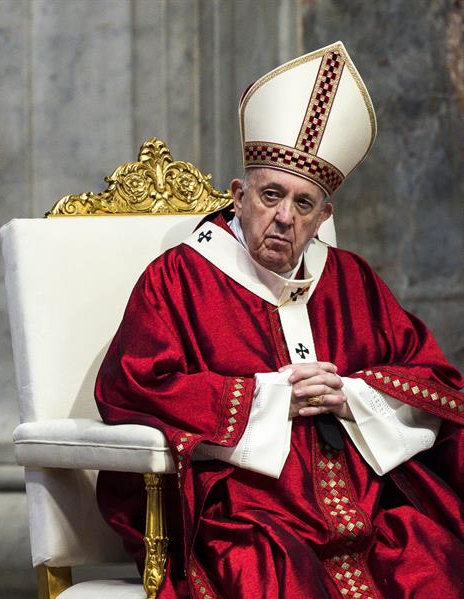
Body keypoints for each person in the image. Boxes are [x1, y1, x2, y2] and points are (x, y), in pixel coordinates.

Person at [94, 41, 463, 598]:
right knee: (271, 573)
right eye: (270, 195)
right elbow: (133, 385)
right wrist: (269, 397)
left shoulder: (352, 279)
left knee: (430, 559)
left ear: (323, 215)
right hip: (248, 509)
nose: (284, 217)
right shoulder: (179, 278)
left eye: (304, 204)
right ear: (240, 196)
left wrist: (352, 394)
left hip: (366, 502)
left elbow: (435, 380)